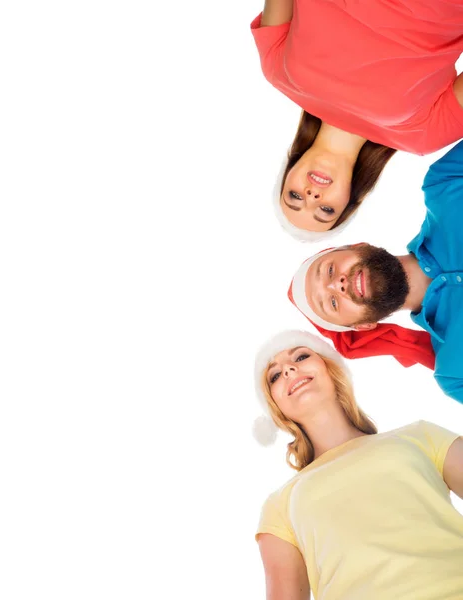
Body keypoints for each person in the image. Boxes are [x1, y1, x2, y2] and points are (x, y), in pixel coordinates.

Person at [253, 329, 463, 599]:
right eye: (274, 375)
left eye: (301, 356)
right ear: (276, 409)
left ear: (331, 368)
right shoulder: (279, 504)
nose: (289, 369)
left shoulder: (419, 435)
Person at [251, 0, 463, 239]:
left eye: (295, 196)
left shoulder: (277, 73)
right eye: (326, 210)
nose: (311, 196)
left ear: (286, 175)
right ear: (353, 198)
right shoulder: (423, 136)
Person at [288, 140, 463, 403]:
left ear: (359, 246)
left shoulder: (446, 183)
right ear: (364, 326)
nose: (338, 285)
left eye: (330, 270)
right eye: (333, 303)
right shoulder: (454, 374)